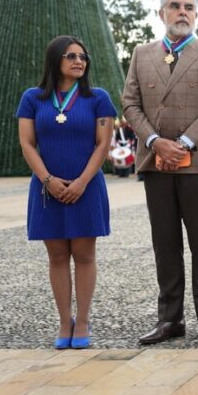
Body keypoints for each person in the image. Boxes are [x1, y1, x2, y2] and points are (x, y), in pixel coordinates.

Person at [122, 0, 198, 346]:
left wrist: (182, 144)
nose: (182, 12)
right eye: (174, 6)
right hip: (156, 161)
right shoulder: (141, 54)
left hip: (197, 161)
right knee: (164, 242)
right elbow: (130, 104)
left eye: (189, 7)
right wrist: (156, 143)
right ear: (161, 13)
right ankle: (170, 318)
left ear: (196, 14)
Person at [17, 36, 116, 349]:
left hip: (86, 187)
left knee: (84, 255)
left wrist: (81, 182)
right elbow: (27, 143)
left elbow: (103, 144)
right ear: (55, 60)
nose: (79, 61)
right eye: (71, 56)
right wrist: (48, 180)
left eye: (83, 57)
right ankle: (64, 321)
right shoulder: (33, 98)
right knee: (57, 256)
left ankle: (83, 320)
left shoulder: (97, 98)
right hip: (47, 190)